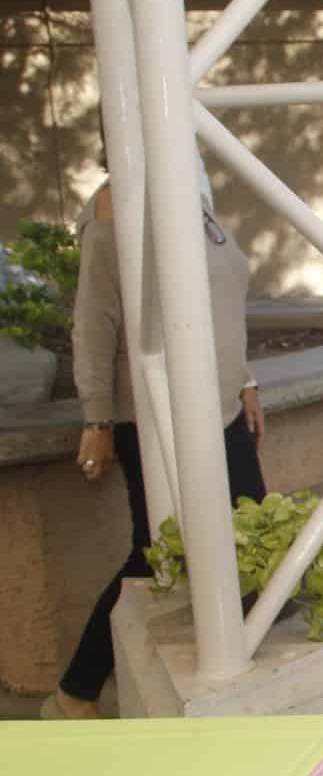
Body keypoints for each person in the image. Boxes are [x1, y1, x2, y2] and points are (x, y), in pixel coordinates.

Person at [44, 155, 267, 719]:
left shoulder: (188, 195)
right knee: (154, 555)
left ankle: (236, 682)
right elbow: (93, 322)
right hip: (154, 414)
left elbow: (215, 305)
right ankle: (76, 692)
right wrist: (97, 421)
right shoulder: (111, 209)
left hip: (220, 408)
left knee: (254, 545)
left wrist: (246, 382)